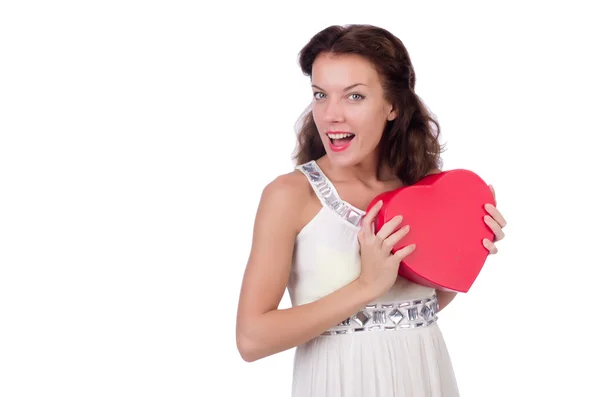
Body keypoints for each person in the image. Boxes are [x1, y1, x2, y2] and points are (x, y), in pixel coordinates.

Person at [235, 24, 507, 397]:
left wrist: (464, 251)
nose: (331, 115)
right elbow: (251, 339)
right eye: (320, 95)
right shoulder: (291, 196)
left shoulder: (424, 189)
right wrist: (366, 285)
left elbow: (417, 308)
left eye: (354, 97)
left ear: (393, 105)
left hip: (425, 377)